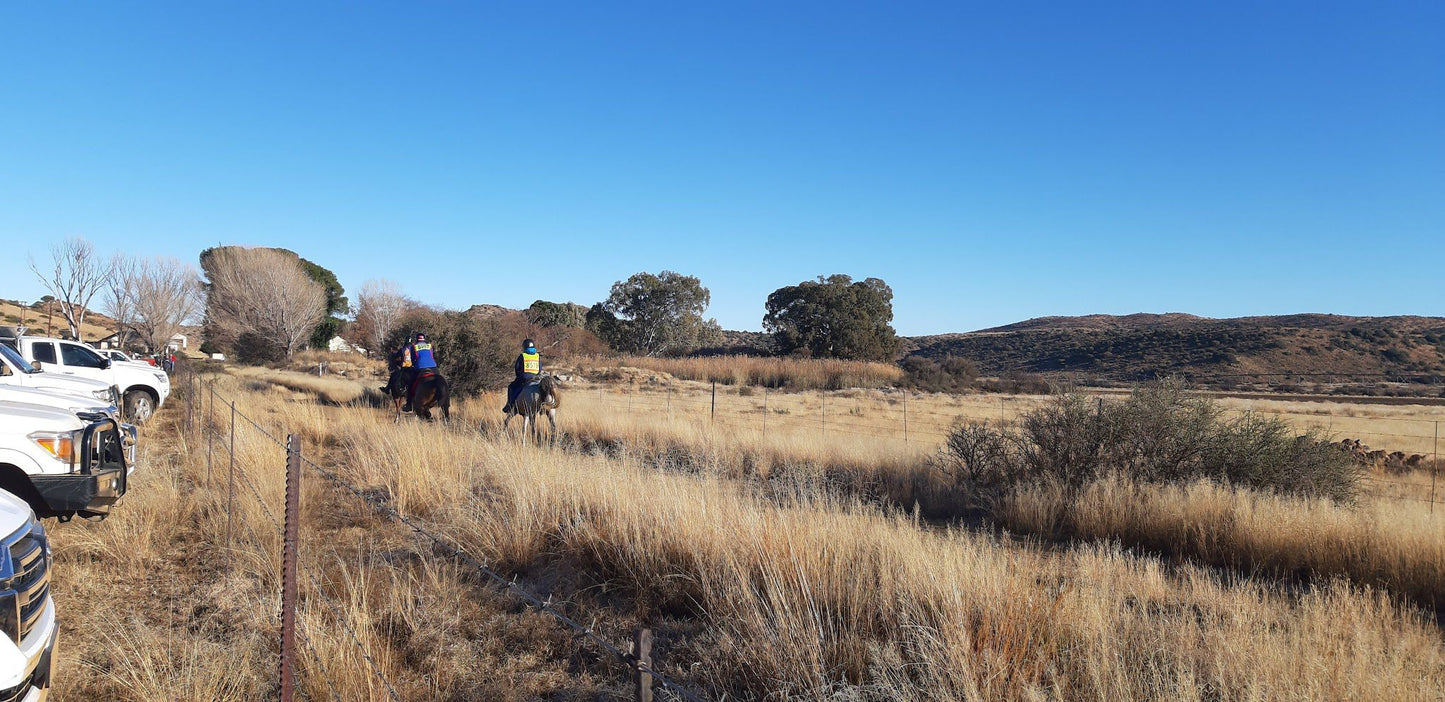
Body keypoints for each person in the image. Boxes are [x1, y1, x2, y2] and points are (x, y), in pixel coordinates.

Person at [401, 332, 437, 412]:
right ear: (424, 339)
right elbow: (431, 356)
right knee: (440, 380)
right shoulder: (429, 346)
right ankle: (445, 400)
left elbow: (413, 359)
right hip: (433, 366)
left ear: (417, 339)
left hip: (420, 367)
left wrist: (414, 365)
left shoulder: (414, 346)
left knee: (411, 383)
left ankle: (409, 404)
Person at [503, 338, 540, 413]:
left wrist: (519, 376)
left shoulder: (523, 356)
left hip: (525, 377)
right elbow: (540, 368)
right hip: (536, 377)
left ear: (524, 347)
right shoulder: (537, 356)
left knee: (512, 387)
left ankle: (510, 405)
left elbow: (517, 367)